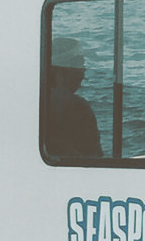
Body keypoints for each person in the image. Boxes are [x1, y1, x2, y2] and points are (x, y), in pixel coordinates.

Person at [44, 33, 104, 163]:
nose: (83, 70)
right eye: (79, 65)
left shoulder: (37, 101)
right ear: (63, 69)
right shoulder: (79, 108)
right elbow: (95, 160)